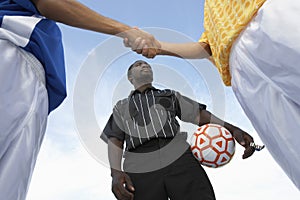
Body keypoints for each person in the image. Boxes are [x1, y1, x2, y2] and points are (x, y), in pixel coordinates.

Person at [129, 0, 300, 190]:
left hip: (270, 19)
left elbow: (196, 113)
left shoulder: (168, 97)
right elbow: (206, 46)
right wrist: (158, 46)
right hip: (238, 69)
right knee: (293, 149)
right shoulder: (209, 10)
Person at [0, 1, 161, 200]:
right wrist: (125, 30)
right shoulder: (123, 107)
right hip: (11, 53)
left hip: (26, 74)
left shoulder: (168, 97)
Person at [101, 60, 257, 200]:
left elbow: (199, 115)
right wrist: (115, 173)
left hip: (178, 155)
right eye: (138, 65)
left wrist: (233, 129)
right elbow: (116, 139)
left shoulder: (169, 95)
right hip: (139, 164)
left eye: (147, 64)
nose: (144, 65)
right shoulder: (121, 106)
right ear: (130, 77)